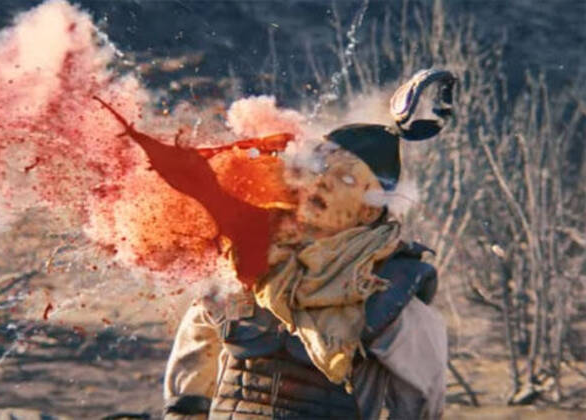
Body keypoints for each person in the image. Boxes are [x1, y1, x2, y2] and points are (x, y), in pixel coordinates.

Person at [163, 69, 456, 420]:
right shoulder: (248, 259)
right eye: (322, 169)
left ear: (369, 210)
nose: (325, 183)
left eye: (346, 178)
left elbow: (420, 406)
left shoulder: (387, 291)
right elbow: (191, 379)